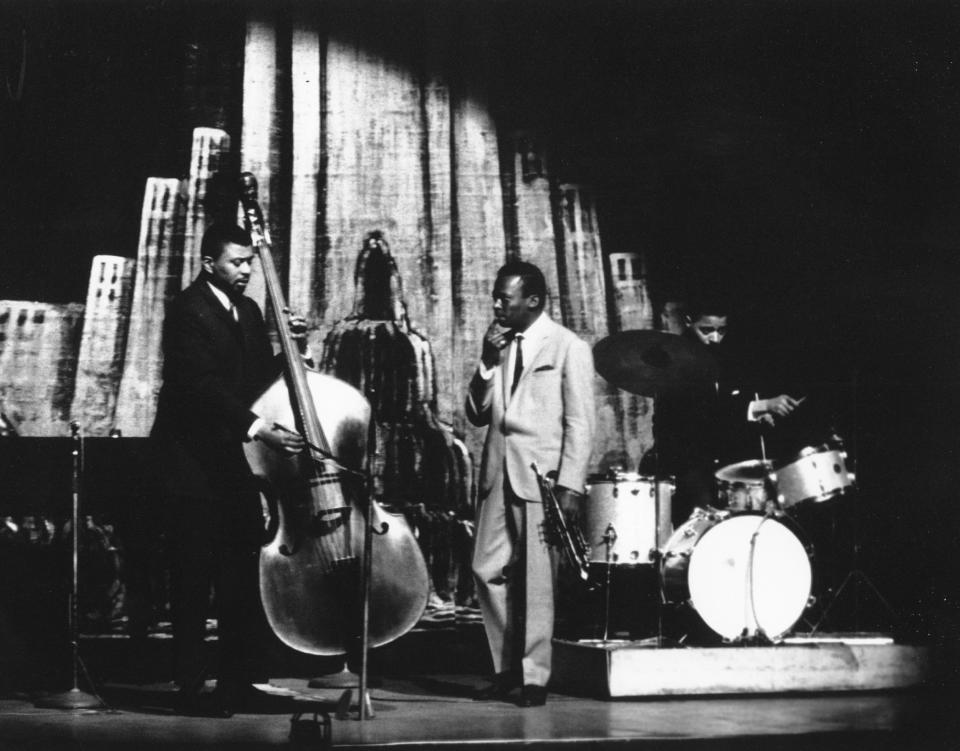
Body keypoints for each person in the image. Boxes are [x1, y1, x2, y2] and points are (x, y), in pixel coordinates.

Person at [150, 223, 306, 717]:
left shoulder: (251, 310)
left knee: (240, 576)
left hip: (231, 465)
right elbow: (200, 386)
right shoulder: (187, 310)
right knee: (194, 580)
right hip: (190, 468)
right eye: (237, 262)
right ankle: (192, 686)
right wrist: (261, 429)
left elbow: (255, 380)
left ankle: (239, 681)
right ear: (208, 264)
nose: (246, 269)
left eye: (249, 262)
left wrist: (289, 348)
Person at [466, 260, 596, 707]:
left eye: (506, 297)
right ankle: (506, 670)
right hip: (497, 470)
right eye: (497, 296)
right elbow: (476, 413)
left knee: (538, 581)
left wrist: (571, 485)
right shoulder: (499, 345)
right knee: (485, 569)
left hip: (543, 478)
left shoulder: (568, 347)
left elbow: (580, 422)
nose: (497, 304)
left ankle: (534, 676)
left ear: (534, 300)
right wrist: (486, 361)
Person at [645, 301, 802, 527]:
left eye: (722, 330)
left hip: (719, 461)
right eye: (706, 330)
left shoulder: (720, 354)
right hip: (687, 466)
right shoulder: (676, 359)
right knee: (704, 528)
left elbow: (728, 402)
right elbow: (703, 413)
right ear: (688, 321)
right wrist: (761, 406)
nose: (715, 338)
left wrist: (757, 415)